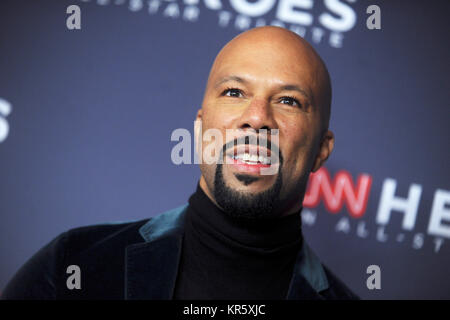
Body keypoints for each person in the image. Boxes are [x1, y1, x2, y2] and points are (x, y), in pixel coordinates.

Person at [2, 26, 358, 300]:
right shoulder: (73, 265)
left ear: (321, 150)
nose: (256, 117)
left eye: (288, 101)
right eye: (234, 93)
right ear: (200, 126)